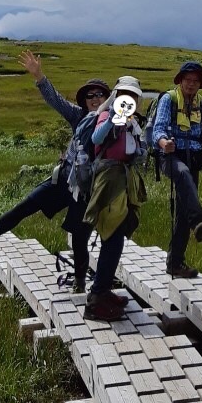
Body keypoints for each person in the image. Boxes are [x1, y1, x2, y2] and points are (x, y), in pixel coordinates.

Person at [0, 51, 109, 292]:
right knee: (25, 206)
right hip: (66, 178)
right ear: (84, 100)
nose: (95, 98)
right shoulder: (78, 116)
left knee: (80, 237)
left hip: (89, 190)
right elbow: (56, 100)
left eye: (100, 94)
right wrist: (39, 77)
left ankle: (80, 283)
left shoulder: (113, 122)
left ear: (108, 99)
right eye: (91, 95)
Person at [82, 76, 148, 320]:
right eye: (124, 95)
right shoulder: (106, 115)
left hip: (122, 180)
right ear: (117, 96)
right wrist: (112, 117)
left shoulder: (131, 122)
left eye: (133, 96)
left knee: (115, 238)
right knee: (111, 237)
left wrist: (140, 151)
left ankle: (103, 291)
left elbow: (135, 150)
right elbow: (96, 139)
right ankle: (97, 298)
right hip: (110, 181)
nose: (129, 99)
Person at [151, 61, 202, 277]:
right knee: (182, 174)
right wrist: (164, 142)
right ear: (180, 81)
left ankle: (175, 263)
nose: (191, 84)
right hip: (171, 155)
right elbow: (158, 127)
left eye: (195, 81)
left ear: (200, 84)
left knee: (183, 212)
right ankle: (199, 221)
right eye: (187, 80)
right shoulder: (169, 99)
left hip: (193, 156)